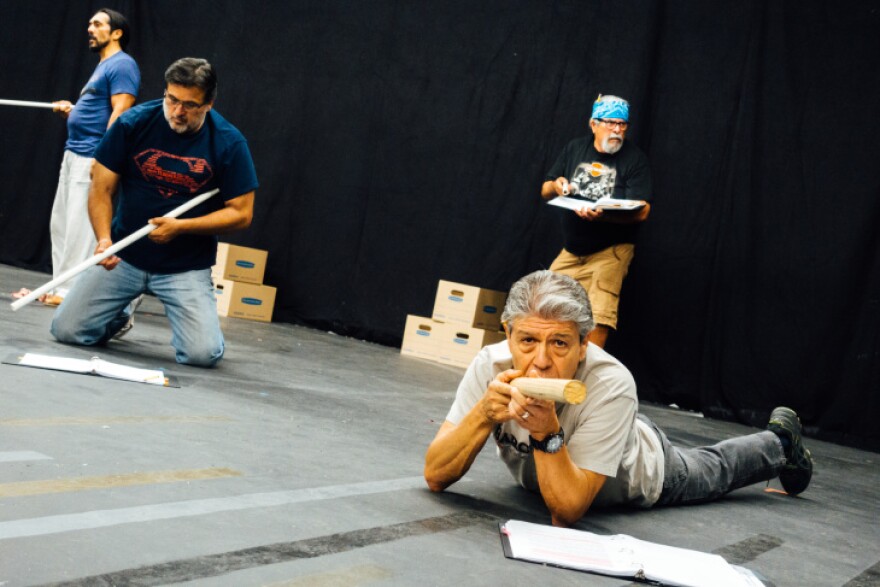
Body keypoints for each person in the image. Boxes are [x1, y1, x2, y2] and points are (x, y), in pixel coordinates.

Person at [424, 270, 813, 527]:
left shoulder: (611, 383)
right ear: (508, 334)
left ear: (583, 345)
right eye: (528, 341)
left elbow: (567, 510)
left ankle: (780, 442)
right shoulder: (489, 364)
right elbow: (435, 474)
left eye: (559, 343)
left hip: (643, 467)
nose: (540, 362)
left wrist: (546, 432)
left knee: (714, 470)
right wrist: (482, 416)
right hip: (580, 446)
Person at [50, 58, 259, 367]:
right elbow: (101, 189)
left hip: (184, 267)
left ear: (209, 104)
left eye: (190, 105)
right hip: (124, 256)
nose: (177, 111)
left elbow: (242, 213)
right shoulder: (133, 123)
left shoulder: (228, 142)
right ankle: (118, 314)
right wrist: (104, 239)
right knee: (66, 330)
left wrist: (182, 227)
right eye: (172, 99)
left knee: (201, 355)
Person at [13, 9, 140, 306]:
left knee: (82, 227)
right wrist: (73, 110)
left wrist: (104, 155)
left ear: (117, 32)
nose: (90, 29)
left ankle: (71, 293)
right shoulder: (104, 66)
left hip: (92, 155)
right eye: (89, 24)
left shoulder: (122, 65)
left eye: (97, 24)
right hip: (75, 152)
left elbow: (121, 112)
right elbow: (97, 110)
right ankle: (59, 287)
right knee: (63, 224)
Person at [540, 94, 651, 348]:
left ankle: (585, 383)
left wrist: (605, 215)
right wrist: (557, 186)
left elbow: (643, 212)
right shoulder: (574, 148)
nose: (617, 130)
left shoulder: (635, 159)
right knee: (541, 304)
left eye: (622, 125)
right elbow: (545, 189)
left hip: (610, 251)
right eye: (610, 123)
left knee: (598, 315)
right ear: (593, 124)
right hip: (572, 250)